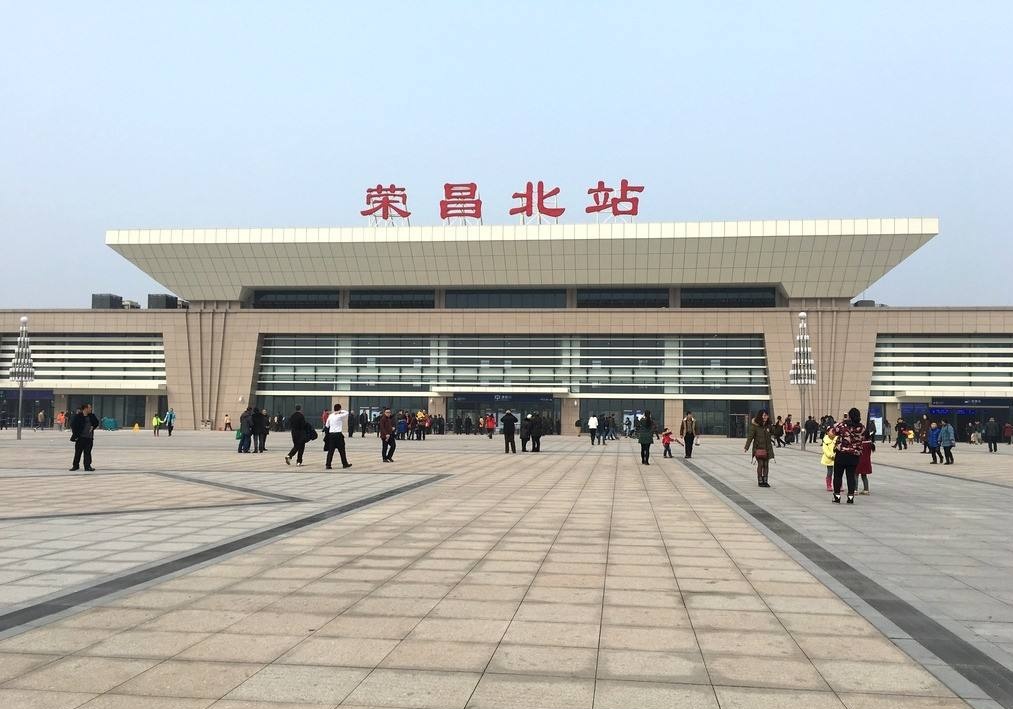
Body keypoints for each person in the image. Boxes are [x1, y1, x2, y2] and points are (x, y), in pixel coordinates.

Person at [831, 408, 865, 504]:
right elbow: (864, 437)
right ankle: (850, 497)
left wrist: (842, 422)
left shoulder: (843, 425)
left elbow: (832, 433)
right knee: (851, 476)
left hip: (841, 454)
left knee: (838, 476)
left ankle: (837, 496)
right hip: (854, 455)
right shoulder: (862, 427)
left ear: (849, 416)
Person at [744, 410, 775, 487]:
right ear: (760, 416)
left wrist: (777, 426)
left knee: (766, 465)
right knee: (761, 464)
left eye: (766, 415)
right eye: (764, 415)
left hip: (767, 449)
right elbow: (750, 437)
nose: (765, 417)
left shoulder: (769, 425)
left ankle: (765, 481)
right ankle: (760, 481)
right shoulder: (755, 426)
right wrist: (746, 447)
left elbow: (775, 432)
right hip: (758, 448)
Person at [69, 404, 100, 471]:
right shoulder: (78, 416)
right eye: (90, 407)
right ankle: (75, 466)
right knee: (78, 453)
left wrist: (93, 427)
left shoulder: (92, 416)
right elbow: (73, 425)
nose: (91, 409)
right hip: (80, 438)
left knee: (87, 453)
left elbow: (96, 422)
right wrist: (76, 434)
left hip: (89, 438)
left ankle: (87, 466)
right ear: (85, 408)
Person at [324, 404, 352, 470]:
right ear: (339, 409)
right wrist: (340, 411)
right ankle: (344, 464)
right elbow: (347, 412)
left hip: (331, 435)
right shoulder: (339, 416)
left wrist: (336, 412)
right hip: (338, 435)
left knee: (331, 451)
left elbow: (327, 425)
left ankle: (328, 465)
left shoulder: (330, 416)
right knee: (342, 450)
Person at [857, 421, 875, 495]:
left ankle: (855, 489)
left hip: (858, 461)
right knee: (864, 476)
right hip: (866, 462)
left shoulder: (860, 443)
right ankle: (866, 489)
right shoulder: (870, 444)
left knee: (855, 475)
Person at [821, 427, 837, 491]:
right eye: (831, 431)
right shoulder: (825, 440)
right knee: (829, 472)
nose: (833, 432)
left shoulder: (837, 438)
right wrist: (831, 455)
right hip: (829, 459)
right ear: (827, 432)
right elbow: (825, 450)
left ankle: (839, 485)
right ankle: (829, 485)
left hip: (837, 458)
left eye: (834, 431)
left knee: (838, 473)